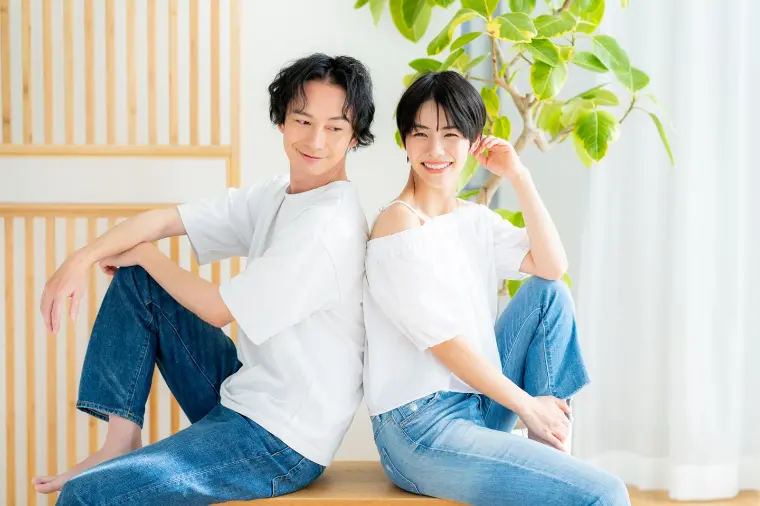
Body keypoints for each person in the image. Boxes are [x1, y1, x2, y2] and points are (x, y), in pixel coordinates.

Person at [33, 53, 375, 505]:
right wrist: (80, 259)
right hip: (245, 390)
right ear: (281, 122)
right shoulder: (279, 194)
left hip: (279, 439)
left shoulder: (328, 226)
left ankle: (112, 465)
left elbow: (217, 310)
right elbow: (164, 220)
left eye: (334, 127)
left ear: (354, 136)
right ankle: (119, 442)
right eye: (303, 120)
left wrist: (146, 255)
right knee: (141, 283)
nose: (316, 139)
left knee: (86, 495)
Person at [362, 71, 630, 506]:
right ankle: (552, 450)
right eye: (421, 134)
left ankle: (551, 449)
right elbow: (447, 345)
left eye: (451, 135)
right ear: (405, 141)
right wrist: (528, 406)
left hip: (476, 404)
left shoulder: (472, 219)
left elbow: (552, 266)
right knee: (606, 493)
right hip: (420, 429)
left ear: (473, 142)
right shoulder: (398, 226)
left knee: (549, 294)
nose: (435, 150)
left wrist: (519, 176)